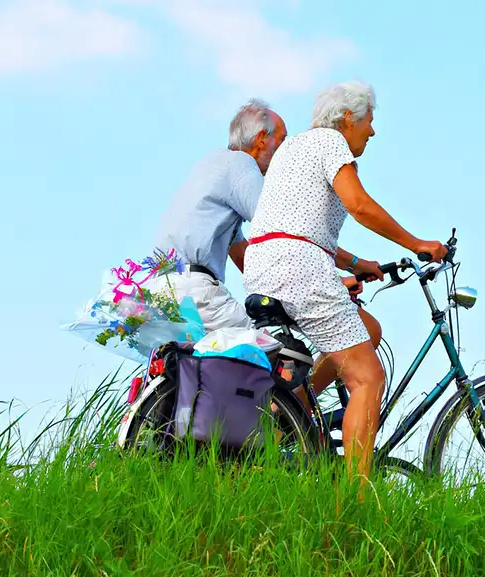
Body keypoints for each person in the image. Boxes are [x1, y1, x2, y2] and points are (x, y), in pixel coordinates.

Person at [242, 81, 448, 480]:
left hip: (267, 264)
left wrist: (356, 263)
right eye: (370, 121)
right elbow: (359, 205)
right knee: (368, 378)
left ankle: (293, 411)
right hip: (298, 267)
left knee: (367, 329)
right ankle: (354, 500)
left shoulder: (294, 149)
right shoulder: (330, 142)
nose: (372, 131)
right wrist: (417, 243)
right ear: (348, 118)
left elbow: (296, 225)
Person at [147, 98, 287, 333]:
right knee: (267, 352)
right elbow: (281, 228)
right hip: (195, 290)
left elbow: (243, 254)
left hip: (161, 290)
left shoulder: (212, 164)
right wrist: (322, 284)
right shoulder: (242, 164)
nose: (286, 152)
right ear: (262, 138)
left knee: (199, 365)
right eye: (283, 141)